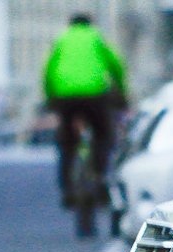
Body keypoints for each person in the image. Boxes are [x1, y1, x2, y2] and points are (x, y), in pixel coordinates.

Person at [43, 13, 127, 208]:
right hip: (95, 94)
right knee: (104, 135)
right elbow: (116, 66)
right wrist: (122, 93)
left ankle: (67, 187)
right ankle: (99, 176)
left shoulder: (62, 38)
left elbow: (47, 70)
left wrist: (50, 97)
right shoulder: (97, 36)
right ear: (90, 23)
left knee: (66, 143)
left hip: (65, 96)